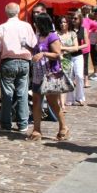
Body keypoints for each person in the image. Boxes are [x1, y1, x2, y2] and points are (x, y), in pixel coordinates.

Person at [0, 2, 36, 132]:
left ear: (6, 13)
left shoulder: (2, 28)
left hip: (8, 61)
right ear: (18, 12)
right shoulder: (26, 26)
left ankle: (6, 123)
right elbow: (34, 44)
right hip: (24, 61)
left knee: (7, 94)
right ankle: (23, 123)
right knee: (23, 93)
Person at [27, 12, 69, 142]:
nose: (34, 24)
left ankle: (63, 127)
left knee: (52, 103)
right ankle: (37, 129)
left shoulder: (52, 36)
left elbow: (57, 54)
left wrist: (43, 54)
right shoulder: (39, 36)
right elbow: (36, 51)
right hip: (38, 74)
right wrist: (26, 47)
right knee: (36, 103)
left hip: (49, 75)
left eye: (36, 22)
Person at [56, 15, 79, 110]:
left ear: (68, 23)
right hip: (57, 60)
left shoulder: (72, 34)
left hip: (67, 61)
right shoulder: (57, 34)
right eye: (61, 22)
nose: (63, 24)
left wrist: (64, 48)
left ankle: (63, 104)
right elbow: (56, 47)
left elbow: (76, 47)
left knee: (65, 82)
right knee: (58, 82)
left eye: (65, 22)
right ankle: (59, 103)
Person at [67, 10, 87, 106]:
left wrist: (77, 47)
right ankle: (69, 98)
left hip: (78, 55)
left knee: (79, 76)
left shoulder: (83, 30)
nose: (73, 20)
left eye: (75, 18)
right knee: (69, 76)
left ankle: (80, 97)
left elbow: (86, 44)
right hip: (68, 55)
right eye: (72, 18)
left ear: (80, 19)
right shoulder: (69, 30)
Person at [80, 5, 97, 88]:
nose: (86, 11)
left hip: (85, 45)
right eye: (85, 10)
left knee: (85, 64)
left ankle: (86, 81)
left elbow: (96, 26)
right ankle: (77, 80)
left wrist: (89, 31)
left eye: (87, 10)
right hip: (77, 45)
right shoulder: (78, 20)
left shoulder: (88, 20)